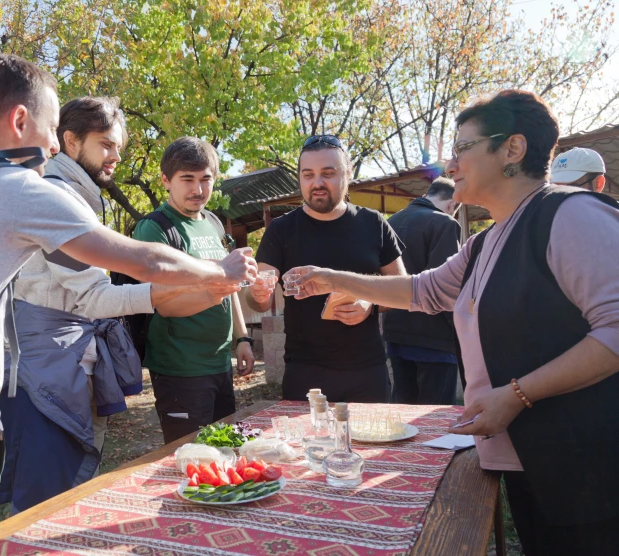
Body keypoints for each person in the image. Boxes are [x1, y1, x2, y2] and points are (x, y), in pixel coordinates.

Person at [0, 55, 257, 555]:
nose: (50, 145)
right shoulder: (18, 186)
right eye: (50, 129)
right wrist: (221, 272)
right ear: (20, 120)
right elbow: (140, 261)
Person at [289, 90, 619, 555]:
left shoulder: (570, 215)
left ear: (512, 149)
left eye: (463, 146)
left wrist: (518, 394)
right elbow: (421, 291)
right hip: (532, 459)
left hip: (586, 462)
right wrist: (331, 278)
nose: (451, 162)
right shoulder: (486, 242)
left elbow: (615, 330)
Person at [0, 97, 233, 514]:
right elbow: (97, 296)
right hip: (43, 371)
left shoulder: (79, 195)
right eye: (106, 145)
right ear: (71, 141)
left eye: (118, 147)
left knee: (60, 487)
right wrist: (203, 281)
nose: (117, 157)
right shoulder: (56, 195)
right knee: (43, 499)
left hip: (65, 363)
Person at [247, 134, 406, 403]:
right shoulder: (281, 230)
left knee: (371, 445)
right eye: (308, 174)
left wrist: (370, 302)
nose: (317, 183)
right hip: (305, 372)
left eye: (328, 173)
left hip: (367, 371)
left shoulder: (373, 223)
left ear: (348, 173)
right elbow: (257, 301)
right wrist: (259, 293)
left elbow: (402, 289)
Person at [132, 137, 256, 444]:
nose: (198, 190)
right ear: (165, 180)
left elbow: (231, 283)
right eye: (187, 180)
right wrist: (212, 291)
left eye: (205, 180)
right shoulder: (155, 227)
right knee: (191, 457)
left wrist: (242, 338)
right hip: (180, 368)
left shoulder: (214, 223)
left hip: (219, 363)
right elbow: (163, 303)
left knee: (224, 452)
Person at [384, 177, 461, 405]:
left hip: (396, 332)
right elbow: (445, 287)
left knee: (405, 414)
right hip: (435, 337)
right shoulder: (445, 224)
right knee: (435, 417)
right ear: (452, 205)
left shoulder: (390, 222)